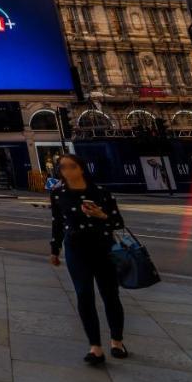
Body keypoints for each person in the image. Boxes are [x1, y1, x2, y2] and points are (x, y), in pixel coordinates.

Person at [49, 153, 128, 366]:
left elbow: (118, 222)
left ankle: (117, 341)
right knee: (84, 295)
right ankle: (95, 347)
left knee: (110, 295)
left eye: (71, 166)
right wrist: (54, 249)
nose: (67, 171)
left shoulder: (101, 192)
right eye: (62, 167)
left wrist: (101, 215)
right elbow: (57, 223)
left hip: (103, 248)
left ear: (81, 168)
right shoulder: (58, 194)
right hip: (75, 249)